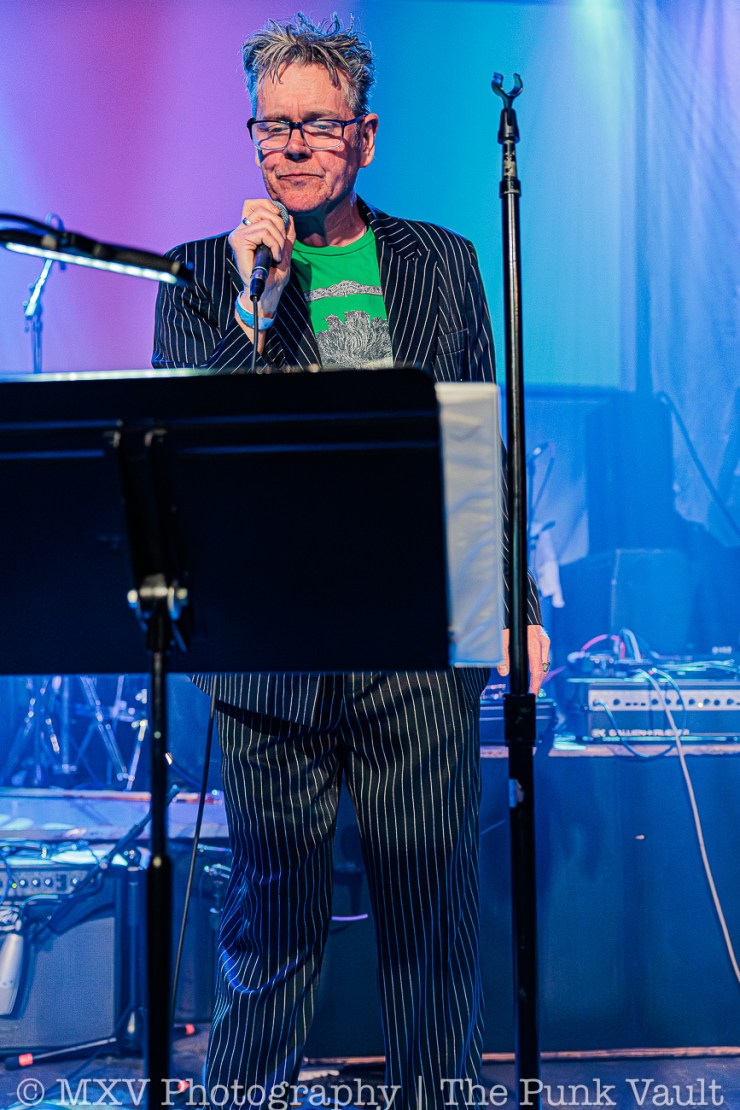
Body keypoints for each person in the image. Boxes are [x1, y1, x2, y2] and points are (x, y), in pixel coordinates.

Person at [153, 14, 548, 1108]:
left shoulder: (440, 263)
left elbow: (479, 448)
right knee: (270, 930)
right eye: (271, 124)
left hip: (415, 637)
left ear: (364, 137)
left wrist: (512, 600)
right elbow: (189, 449)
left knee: (430, 924)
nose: (291, 145)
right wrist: (258, 305)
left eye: (316, 124)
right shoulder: (198, 277)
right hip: (271, 654)